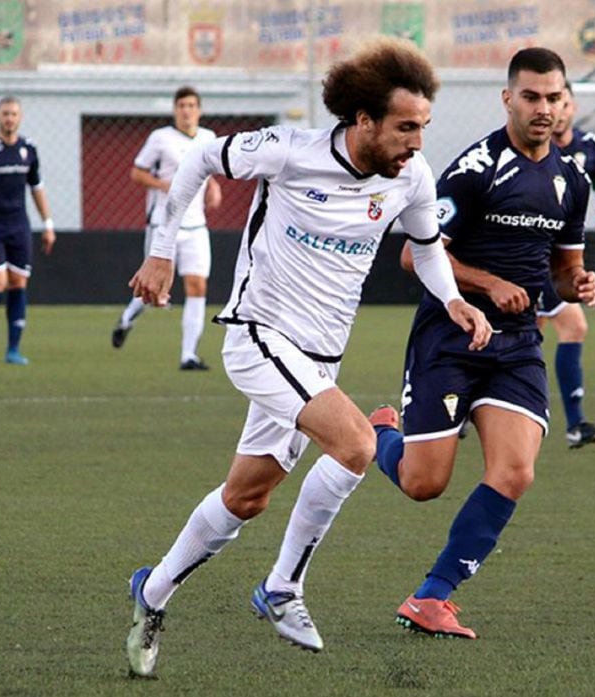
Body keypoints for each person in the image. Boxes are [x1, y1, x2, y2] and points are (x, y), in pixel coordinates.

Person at [123, 38, 490, 678]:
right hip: (258, 334)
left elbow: (427, 246)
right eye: (406, 127)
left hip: (319, 359)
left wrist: (454, 300)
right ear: (363, 121)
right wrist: (161, 251)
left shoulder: (413, 178)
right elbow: (202, 158)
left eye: (424, 127)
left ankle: (152, 592)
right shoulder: (289, 151)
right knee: (358, 445)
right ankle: (283, 587)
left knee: (247, 498)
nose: (417, 142)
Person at [370, 47, 595, 640]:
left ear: (565, 101)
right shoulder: (476, 169)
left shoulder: (572, 180)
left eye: (553, 98)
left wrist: (578, 283)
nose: (543, 109)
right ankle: (379, 435)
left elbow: (562, 268)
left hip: (518, 343)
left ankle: (432, 596)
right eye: (531, 97)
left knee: (515, 472)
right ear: (508, 99)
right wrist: (491, 283)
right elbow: (413, 254)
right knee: (425, 484)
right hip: (450, 334)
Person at [111, 86, 222, 370]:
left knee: (197, 286)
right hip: (164, 223)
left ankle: (188, 355)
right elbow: (137, 172)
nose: (187, 110)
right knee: (155, 291)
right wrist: (162, 184)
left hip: (197, 224)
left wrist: (213, 186)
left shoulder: (209, 138)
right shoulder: (160, 138)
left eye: (192, 105)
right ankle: (126, 319)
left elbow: (207, 170)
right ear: (175, 109)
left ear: (199, 110)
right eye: (182, 105)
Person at [537, 81, 595, 448]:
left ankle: (463, 403)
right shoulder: (535, 149)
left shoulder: (589, 146)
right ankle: (575, 422)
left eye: (561, 102)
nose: (556, 111)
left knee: (523, 333)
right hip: (534, 255)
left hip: (561, 258)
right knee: (573, 327)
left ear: (572, 106)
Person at [0, 96, 56, 365]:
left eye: (14, 114)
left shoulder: (29, 149)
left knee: (18, 283)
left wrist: (48, 224)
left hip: (19, 226)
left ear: (20, 117)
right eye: (5, 113)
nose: (9, 118)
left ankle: (13, 350)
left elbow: (36, 187)